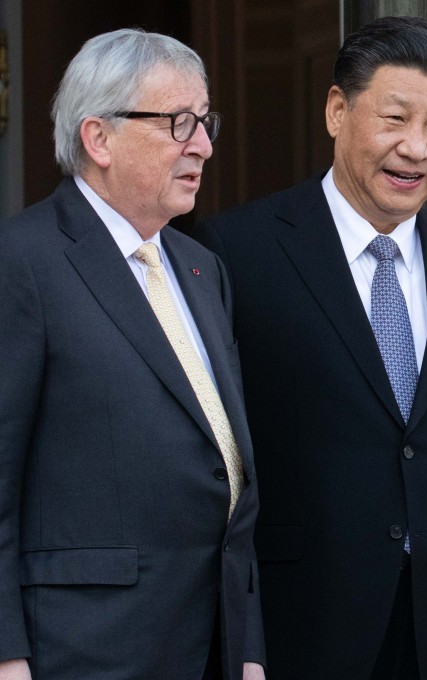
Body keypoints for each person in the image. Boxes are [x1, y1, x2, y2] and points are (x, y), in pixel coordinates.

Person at [193, 16, 427, 680]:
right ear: (336, 111)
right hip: (301, 621)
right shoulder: (237, 252)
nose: (417, 148)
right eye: (395, 119)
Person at [0, 29, 264, 680]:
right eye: (179, 123)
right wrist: (6, 657)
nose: (202, 144)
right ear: (99, 138)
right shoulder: (22, 262)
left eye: (206, 122)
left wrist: (250, 650)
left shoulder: (203, 269)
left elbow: (227, 471)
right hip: (82, 651)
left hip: (211, 648)